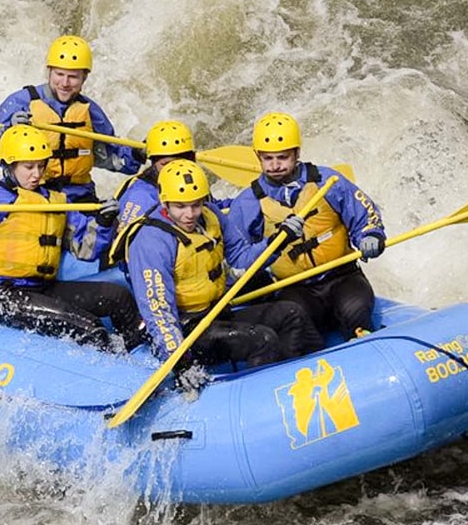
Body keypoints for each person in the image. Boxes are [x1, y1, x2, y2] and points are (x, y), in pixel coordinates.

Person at [0, 125, 143, 350]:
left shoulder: (56, 200)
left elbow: (86, 250)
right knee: (90, 328)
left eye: (41, 166)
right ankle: (110, 375)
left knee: (118, 298)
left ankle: (139, 356)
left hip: (42, 287)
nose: (36, 174)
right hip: (2, 293)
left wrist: (103, 223)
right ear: (9, 166)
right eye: (28, 167)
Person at [116, 160, 322, 387]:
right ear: (165, 202)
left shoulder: (210, 214)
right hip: (189, 330)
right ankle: (262, 399)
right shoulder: (151, 241)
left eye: (196, 205)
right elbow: (158, 311)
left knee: (291, 313)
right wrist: (180, 361)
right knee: (263, 339)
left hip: (218, 314)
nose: (190, 214)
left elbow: (242, 257)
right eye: (180, 207)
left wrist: (278, 241)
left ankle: (314, 373)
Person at [224, 112, 386, 340]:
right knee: (297, 323)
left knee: (356, 311)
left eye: (283, 157)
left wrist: (371, 235)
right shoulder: (248, 202)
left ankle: (361, 337)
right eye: (268, 159)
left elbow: (364, 214)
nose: (276, 165)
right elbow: (238, 253)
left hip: (342, 275)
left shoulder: (327, 181)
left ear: (297, 153)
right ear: (257, 156)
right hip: (295, 287)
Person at [0, 35, 142, 203]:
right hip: (31, 194)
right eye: (59, 74)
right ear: (49, 71)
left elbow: (117, 158)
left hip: (78, 196)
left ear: (84, 77)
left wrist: (138, 153)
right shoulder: (19, 103)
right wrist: (11, 132)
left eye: (73, 76)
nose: (64, 83)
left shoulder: (90, 111)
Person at [113, 119, 231, 231]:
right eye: (166, 164)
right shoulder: (141, 198)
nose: (175, 169)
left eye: (179, 162)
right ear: (153, 163)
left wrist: (245, 199)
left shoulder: (188, 179)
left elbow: (212, 208)